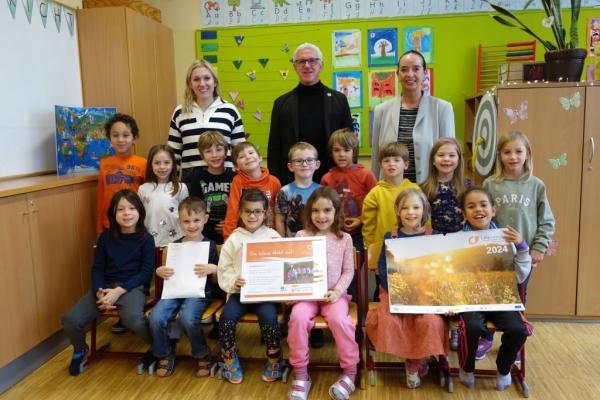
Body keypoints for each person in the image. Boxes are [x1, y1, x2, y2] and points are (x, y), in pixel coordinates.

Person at [478, 132, 554, 361]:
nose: (513, 157)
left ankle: (514, 341)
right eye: (507, 152)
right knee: (489, 297)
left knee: (518, 298)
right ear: (499, 155)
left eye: (518, 151)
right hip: (494, 256)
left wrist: (538, 247)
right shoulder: (491, 183)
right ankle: (486, 337)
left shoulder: (536, 185)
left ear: (527, 154)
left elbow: (547, 220)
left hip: (523, 256)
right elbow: (482, 216)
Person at [61, 190, 155, 376]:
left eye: (132, 208)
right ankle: (80, 350)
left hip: (132, 287)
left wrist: (119, 291)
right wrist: (99, 291)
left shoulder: (146, 239)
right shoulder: (105, 237)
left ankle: (159, 345)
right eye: (120, 209)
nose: (126, 213)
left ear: (140, 212)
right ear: (113, 213)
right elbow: (97, 268)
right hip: (105, 287)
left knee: (132, 319)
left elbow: (145, 273)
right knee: (70, 319)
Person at [365, 189, 448, 389]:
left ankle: (413, 365)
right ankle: (414, 363)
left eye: (416, 207)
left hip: (426, 292)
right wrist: (398, 290)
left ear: (424, 210)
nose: (411, 212)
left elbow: (441, 269)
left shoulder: (434, 236)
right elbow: (383, 269)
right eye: (405, 208)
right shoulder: (391, 236)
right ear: (398, 211)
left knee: (429, 321)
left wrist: (425, 291)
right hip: (395, 291)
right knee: (390, 319)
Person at [457, 186, 532, 391]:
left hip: (500, 298)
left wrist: (523, 247)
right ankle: (467, 368)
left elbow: (519, 276)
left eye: (483, 205)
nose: (478, 210)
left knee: (518, 330)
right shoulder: (456, 239)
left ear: (493, 210)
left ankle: (504, 368)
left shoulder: (506, 237)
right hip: (469, 298)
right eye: (471, 206)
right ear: (464, 214)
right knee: (470, 327)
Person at [288, 187, 359, 400]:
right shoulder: (301, 235)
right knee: (297, 318)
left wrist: (337, 292)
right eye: (316, 211)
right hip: (307, 295)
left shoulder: (344, 238)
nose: (321, 216)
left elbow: (348, 270)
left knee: (340, 320)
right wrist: (293, 291)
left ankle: (350, 373)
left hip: (333, 296)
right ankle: (300, 375)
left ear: (336, 212)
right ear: (309, 212)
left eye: (327, 210)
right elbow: (294, 267)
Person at [217, 189, 285, 384]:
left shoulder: (273, 236)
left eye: (257, 211)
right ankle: (229, 359)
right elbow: (224, 268)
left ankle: (274, 359)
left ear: (265, 213)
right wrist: (234, 282)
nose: (252, 216)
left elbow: (283, 264)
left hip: (265, 294)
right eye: (247, 211)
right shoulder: (234, 238)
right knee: (227, 318)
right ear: (240, 213)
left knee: (269, 318)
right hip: (240, 293)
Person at [149, 197, 219, 378]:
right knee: (156, 317)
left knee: (188, 318)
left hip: (199, 293)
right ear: (180, 221)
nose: (192, 225)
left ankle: (202, 353)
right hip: (174, 291)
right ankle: (164, 353)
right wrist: (159, 271)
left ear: (205, 218)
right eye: (186, 221)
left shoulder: (210, 246)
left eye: (196, 220)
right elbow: (165, 272)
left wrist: (214, 269)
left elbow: (220, 279)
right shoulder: (174, 246)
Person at [268, 43, 353, 185]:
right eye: (301, 61)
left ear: (321, 65)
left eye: (312, 60)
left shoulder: (339, 100)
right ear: (295, 67)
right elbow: (274, 148)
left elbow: (349, 143)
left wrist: (349, 174)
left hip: (333, 178)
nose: (307, 65)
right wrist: (276, 183)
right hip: (294, 181)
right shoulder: (281, 104)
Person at [371, 50, 455, 182]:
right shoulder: (382, 110)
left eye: (416, 69)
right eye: (404, 70)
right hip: (391, 192)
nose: (410, 74)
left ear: (424, 73)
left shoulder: (442, 108)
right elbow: (377, 156)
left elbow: (449, 156)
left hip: (429, 191)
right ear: (398, 74)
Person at [420, 137, 472, 350]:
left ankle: (456, 330)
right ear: (433, 160)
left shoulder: (467, 186)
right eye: (441, 155)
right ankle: (437, 331)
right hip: (434, 249)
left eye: (452, 155)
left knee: (458, 289)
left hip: (460, 247)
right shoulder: (424, 188)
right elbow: (419, 220)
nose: (446, 159)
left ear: (459, 159)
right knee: (437, 290)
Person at [321, 128, 377, 301]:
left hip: (358, 235)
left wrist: (361, 220)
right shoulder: (327, 178)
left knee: (351, 276)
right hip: (335, 235)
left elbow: (375, 205)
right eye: (337, 150)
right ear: (331, 153)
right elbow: (324, 207)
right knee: (335, 275)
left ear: (355, 151)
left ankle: (355, 321)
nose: (342, 154)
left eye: (346, 150)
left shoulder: (366, 174)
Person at [167, 60, 245, 182]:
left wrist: (243, 183)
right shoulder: (180, 112)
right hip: (191, 182)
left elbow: (240, 152)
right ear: (190, 84)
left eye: (207, 78)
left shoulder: (230, 111)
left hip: (224, 181)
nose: (202, 83)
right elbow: (173, 154)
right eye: (196, 79)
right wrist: (172, 185)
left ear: (215, 82)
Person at [361, 142, 420, 301]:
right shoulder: (375, 193)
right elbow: (369, 225)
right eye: (386, 160)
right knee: (383, 291)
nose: (391, 164)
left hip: (411, 250)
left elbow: (425, 219)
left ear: (406, 164)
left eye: (396, 160)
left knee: (412, 288)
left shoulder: (415, 189)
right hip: (384, 253)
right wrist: (370, 250)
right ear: (380, 165)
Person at [97, 114, 146, 233]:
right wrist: (99, 228)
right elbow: (101, 197)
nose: (120, 139)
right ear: (109, 139)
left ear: (134, 138)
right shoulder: (104, 163)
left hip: (134, 223)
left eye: (126, 135)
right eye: (115, 135)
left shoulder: (143, 163)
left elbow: (147, 197)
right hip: (110, 224)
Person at [222, 142, 281, 241]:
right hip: (246, 234)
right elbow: (232, 211)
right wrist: (227, 238)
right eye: (241, 156)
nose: (248, 157)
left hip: (269, 234)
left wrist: (279, 236)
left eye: (251, 153)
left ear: (260, 158)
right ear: (236, 167)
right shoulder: (237, 182)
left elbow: (279, 212)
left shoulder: (274, 181)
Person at [186, 131, 236, 244]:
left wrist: (230, 224)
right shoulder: (197, 177)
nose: (214, 155)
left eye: (218, 149)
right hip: (204, 234)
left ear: (226, 151)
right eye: (209, 151)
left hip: (232, 233)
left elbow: (241, 206)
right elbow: (194, 207)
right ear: (202, 155)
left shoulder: (235, 177)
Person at [138, 145, 189, 247]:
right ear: (150, 165)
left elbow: (187, 215)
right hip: (151, 242)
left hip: (176, 240)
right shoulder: (143, 189)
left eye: (166, 162)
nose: (162, 167)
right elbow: (139, 216)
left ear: (173, 165)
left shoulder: (181, 187)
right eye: (157, 163)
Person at [275, 142, 321, 237]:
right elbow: (280, 220)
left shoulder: (322, 191)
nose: (304, 164)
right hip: (292, 244)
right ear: (290, 166)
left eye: (309, 160)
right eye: (298, 161)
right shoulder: (284, 192)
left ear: (317, 164)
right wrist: (282, 242)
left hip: (317, 242)